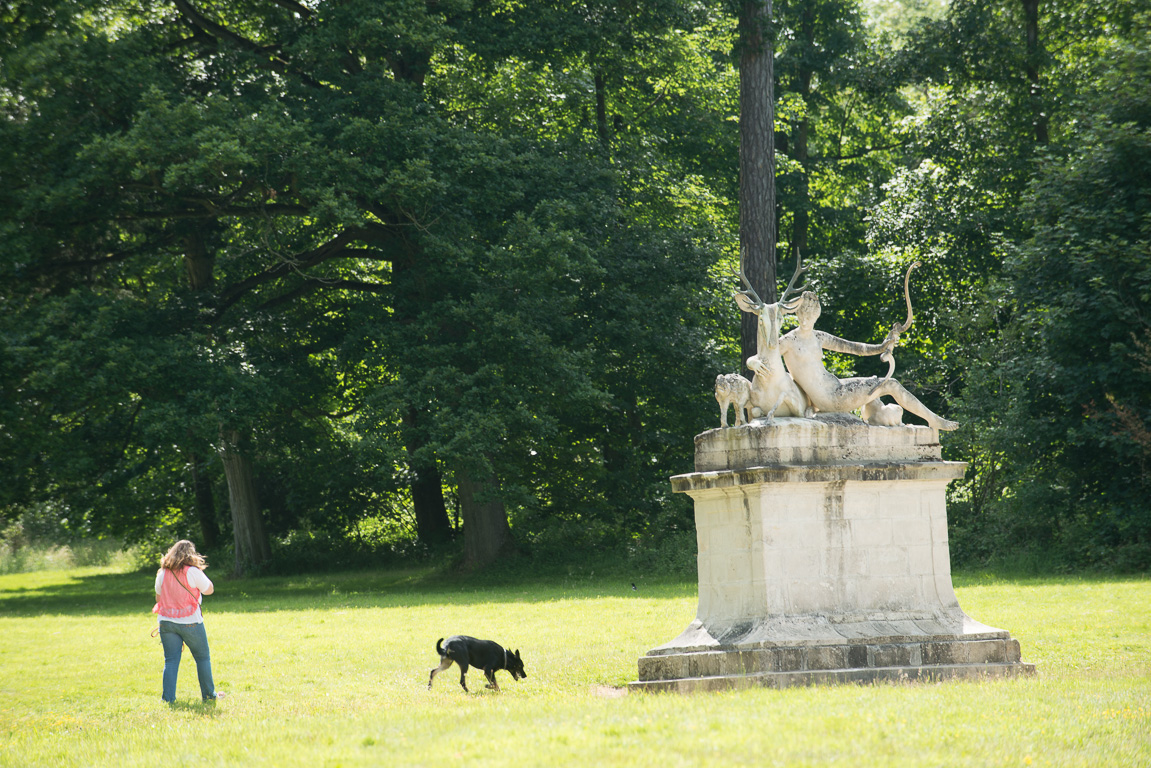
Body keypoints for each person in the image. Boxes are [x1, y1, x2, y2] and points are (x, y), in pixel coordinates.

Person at [778, 291, 959, 431]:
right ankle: (933, 420)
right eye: (802, 315)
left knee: (888, 383)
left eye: (810, 316)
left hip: (837, 386)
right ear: (797, 314)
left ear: (816, 315)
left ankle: (932, 419)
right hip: (831, 399)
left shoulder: (818, 336)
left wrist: (882, 347)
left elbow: (854, 348)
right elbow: (764, 357)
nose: (805, 320)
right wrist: (752, 363)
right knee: (891, 384)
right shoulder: (788, 341)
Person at [153, 539, 223, 703]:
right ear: (191, 555)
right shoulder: (192, 571)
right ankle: (209, 695)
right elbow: (209, 590)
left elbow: (158, 598)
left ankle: (168, 699)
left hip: (166, 621)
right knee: (202, 658)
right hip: (190, 621)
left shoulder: (162, 573)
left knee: (170, 661)